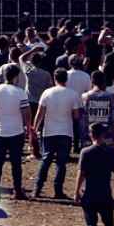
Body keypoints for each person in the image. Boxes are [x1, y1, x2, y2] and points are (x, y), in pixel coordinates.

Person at [33, 67, 81, 199]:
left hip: (49, 131)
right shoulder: (73, 94)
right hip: (65, 131)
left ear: (54, 78)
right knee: (61, 163)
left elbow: (40, 113)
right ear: (66, 79)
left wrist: (35, 128)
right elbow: (76, 116)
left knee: (46, 160)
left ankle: (37, 188)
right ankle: (58, 190)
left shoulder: (47, 93)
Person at [0, 63, 30, 199]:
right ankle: (17, 190)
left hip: (0, 131)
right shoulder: (20, 92)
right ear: (16, 77)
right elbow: (26, 112)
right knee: (16, 163)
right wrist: (28, 126)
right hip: (16, 130)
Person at [75, 122, 114, 226]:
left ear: (91, 135)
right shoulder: (110, 151)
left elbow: (81, 174)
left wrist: (76, 192)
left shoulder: (85, 152)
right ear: (103, 134)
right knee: (110, 225)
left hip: (89, 194)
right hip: (105, 194)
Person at [83, 70, 114, 147]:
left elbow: (82, 119)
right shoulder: (110, 96)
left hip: (90, 136)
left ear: (92, 81)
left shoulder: (85, 96)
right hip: (106, 136)